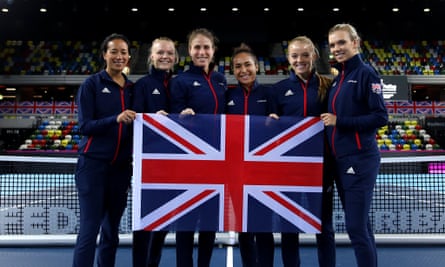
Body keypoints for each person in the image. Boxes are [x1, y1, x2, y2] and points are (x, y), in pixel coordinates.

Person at [320, 23, 388, 267]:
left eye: (341, 43)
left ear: (355, 43)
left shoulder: (366, 74)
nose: (337, 48)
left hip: (359, 160)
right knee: (362, 228)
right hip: (341, 162)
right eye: (333, 45)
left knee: (356, 229)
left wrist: (340, 121)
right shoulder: (339, 78)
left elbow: (381, 117)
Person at [270, 35, 336, 267]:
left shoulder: (330, 86)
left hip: (322, 170)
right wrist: (271, 121)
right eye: (295, 55)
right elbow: (268, 130)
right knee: (289, 229)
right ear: (288, 58)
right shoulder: (278, 90)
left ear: (315, 56)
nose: (300, 60)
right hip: (289, 171)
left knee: (324, 227)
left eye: (305, 55)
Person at [72, 33, 135, 267]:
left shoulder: (131, 88)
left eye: (123, 52)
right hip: (93, 166)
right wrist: (115, 119)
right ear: (104, 55)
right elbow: (84, 126)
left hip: (120, 170)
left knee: (111, 232)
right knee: (90, 230)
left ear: (128, 57)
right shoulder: (92, 84)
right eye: (114, 51)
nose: (119, 56)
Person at [169, 27, 227, 267]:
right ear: (189, 51)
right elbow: (171, 119)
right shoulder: (179, 81)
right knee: (186, 223)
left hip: (217, 163)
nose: (202, 52)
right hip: (189, 163)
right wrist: (180, 115)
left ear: (213, 51)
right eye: (197, 47)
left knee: (209, 223)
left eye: (206, 47)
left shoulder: (220, 79)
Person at [226, 43, 275, 267]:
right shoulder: (228, 96)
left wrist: (277, 122)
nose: (243, 70)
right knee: (244, 228)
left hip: (264, 172)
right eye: (238, 66)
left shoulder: (270, 94)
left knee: (264, 228)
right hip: (237, 172)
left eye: (247, 65)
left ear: (257, 66)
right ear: (232, 70)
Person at [132, 37, 179, 267]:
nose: (165, 56)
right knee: (145, 226)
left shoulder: (180, 84)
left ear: (175, 57)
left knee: (162, 226)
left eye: (169, 53)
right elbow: (135, 121)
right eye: (160, 52)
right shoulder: (142, 85)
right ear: (151, 55)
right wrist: (152, 120)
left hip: (177, 168)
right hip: (150, 169)